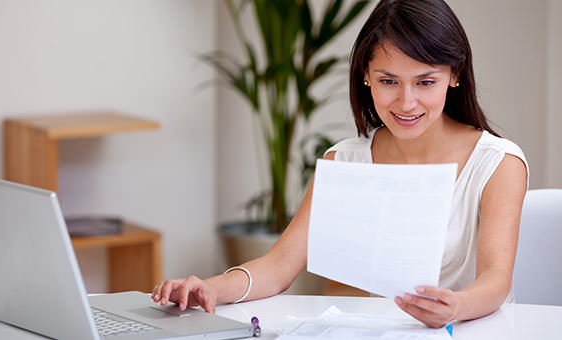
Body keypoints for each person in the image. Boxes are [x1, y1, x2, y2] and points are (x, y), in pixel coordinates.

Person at [151, 0, 528, 329]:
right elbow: (279, 266)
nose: (406, 102)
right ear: (366, 75)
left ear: (455, 75)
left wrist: (455, 306)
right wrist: (210, 288)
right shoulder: (344, 160)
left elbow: (496, 279)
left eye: (425, 82)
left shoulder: (498, 163)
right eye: (388, 81)